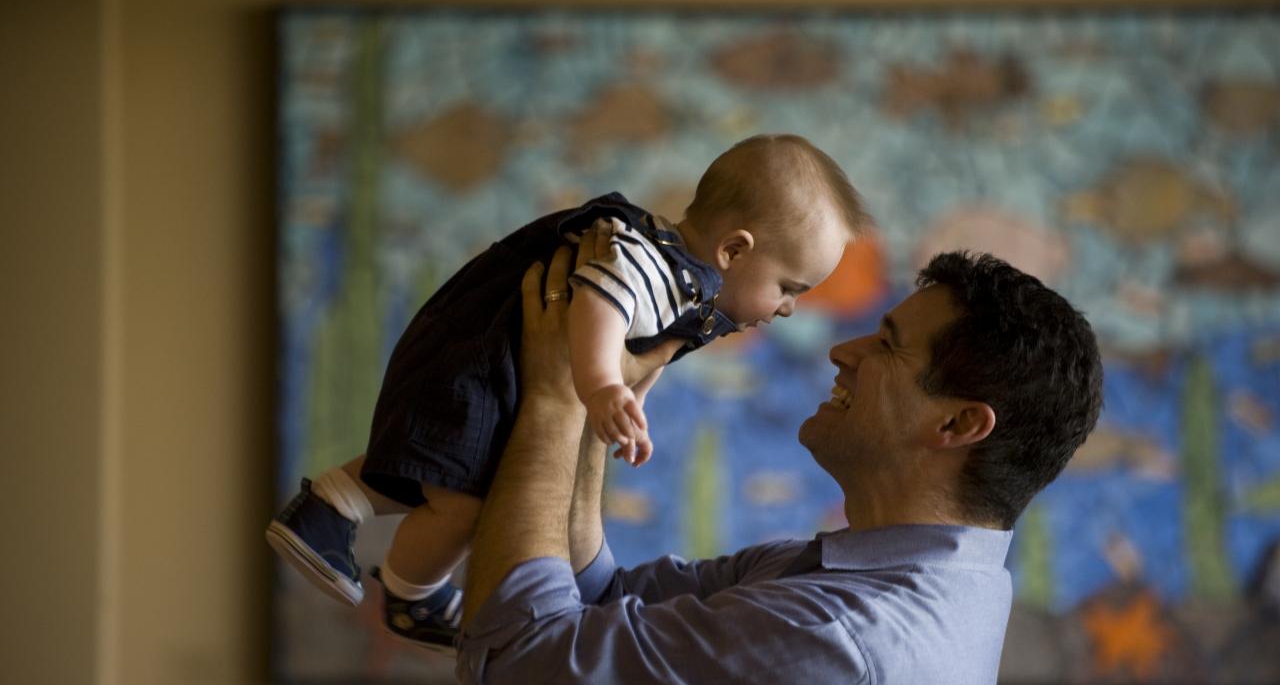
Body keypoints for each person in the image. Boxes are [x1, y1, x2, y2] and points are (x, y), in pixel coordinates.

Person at [265, 134, 870, 649]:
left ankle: (330, 506)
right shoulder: (647, 259)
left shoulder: (685, 283)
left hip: (485, 367)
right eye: (790, 287)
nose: (790, 308)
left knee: (438, 466)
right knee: (465, 501)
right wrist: (604, 386)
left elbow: (645, 350)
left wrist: (630, 393)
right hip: (477, 365)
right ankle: (410, 596)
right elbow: (602, 301)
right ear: (734, 249)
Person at [456, 245, 1104, 684]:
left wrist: (552, 397)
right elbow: (599, 601)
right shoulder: (842, 573)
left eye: (886, 346)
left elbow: (513, 659)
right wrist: (599, 404)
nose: (841, 352)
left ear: (958, 424)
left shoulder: (833, 636)